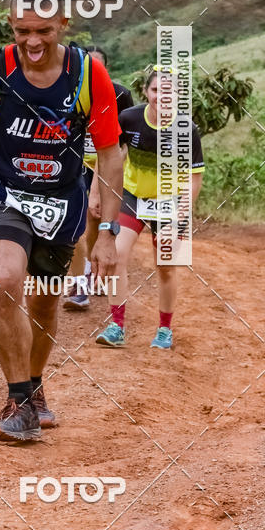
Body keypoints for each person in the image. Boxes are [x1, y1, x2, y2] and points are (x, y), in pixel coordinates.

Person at [0, 0, 123, 442]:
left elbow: (110, 152)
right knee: (5, 281)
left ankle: (34, 388)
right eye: (22, 30)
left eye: (43, 30)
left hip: (62, 205)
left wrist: (107, 233)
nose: (32, 41)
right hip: (1, 195)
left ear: (63, 24)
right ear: (10, 24)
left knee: (45, 304)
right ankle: (19, 401)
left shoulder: (88, 75)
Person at [95, 66, 204, 350]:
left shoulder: (187, 130)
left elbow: (194, 177)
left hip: (169, 203)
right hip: (132, 197)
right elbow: (109, 156)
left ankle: (165, 330)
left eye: (169, 92)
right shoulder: (129, 118)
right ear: (146, 91)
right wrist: (97, 192)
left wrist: (182, 213)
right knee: (116, 255)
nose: (161, 97)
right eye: (156, 91)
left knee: (166, 267)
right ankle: (116, 326)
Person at [65, 46, 134, 310]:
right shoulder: (67, 92)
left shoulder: (120, 95)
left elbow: (125, 143)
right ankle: (79, 285)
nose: (93, 71)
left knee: (96, 221)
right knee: (75, 225)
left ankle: (96, 270)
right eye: (88, 66)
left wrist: (108, 172)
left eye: (99, 66)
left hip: (106, 166)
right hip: (73, 165)